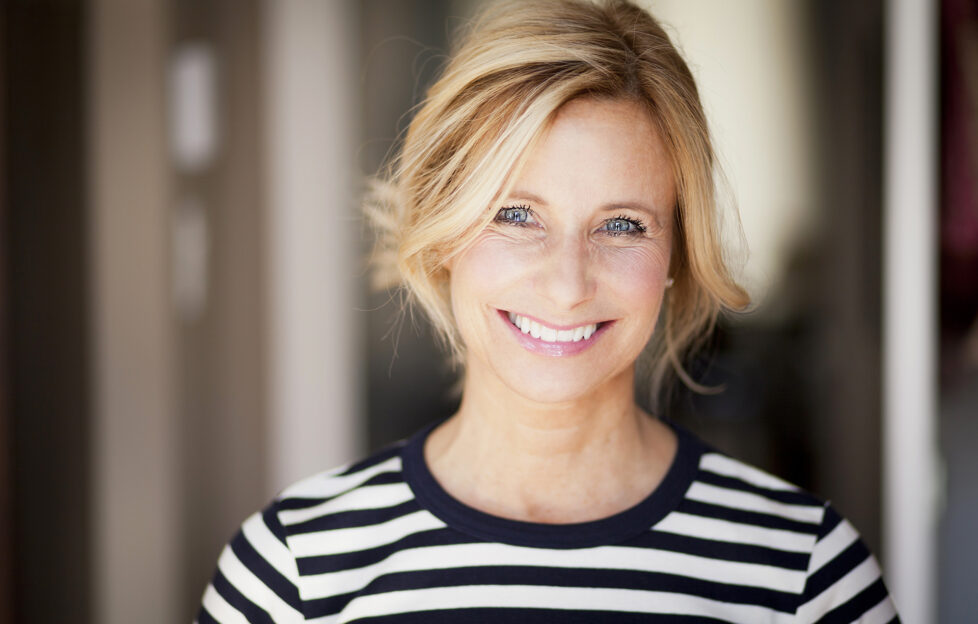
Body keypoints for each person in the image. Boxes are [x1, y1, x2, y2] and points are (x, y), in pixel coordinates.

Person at [196, 0, 899, 622]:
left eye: (622, 225)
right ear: (444, 232)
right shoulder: (291, 573)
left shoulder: (806, 575)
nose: (567, 284)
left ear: (678, 252)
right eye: (516, 214)